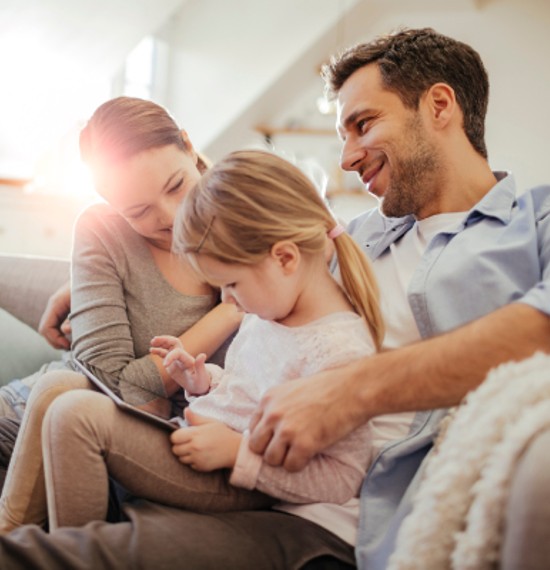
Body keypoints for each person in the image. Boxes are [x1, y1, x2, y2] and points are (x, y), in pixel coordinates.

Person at [0, 26, 549, 570]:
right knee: (61, 422)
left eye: (363, 124)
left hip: (328, 509)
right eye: (342, 136)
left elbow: (540, 330)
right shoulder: (343, 239)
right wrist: (86, 280)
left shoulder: (536, 225)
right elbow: (240, 263)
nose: (347, 159)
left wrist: (348, 391)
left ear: (440, 105)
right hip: (237, 455)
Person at [10, 150, 387, 555]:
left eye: (233, 284)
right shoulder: (270, 312)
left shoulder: (337, 352)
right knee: (61, 398)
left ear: (285, 258)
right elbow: (249, 392)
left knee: (76, 417)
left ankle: (71, 558)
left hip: (237, 478)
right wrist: (203, 381)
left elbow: (342, 476)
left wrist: (238, 454)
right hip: (203, 441)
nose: (227, 300)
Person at [0, 96, 242, 532]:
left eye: (175, 186)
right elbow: (108, 383)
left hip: (115, 448)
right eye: (139, 211)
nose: (170, 217)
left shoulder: (252, 219)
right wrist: (226, 316)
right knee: (64, 385)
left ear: (188, 146)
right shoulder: (103, 230)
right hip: (21, 424)